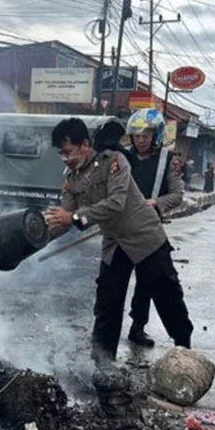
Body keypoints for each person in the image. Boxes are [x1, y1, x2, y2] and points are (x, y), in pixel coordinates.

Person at [44, 117, 194, 363]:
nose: (64, 158)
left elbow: (115, 203)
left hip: (145, 236)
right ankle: (103, 363)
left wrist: (72, 218)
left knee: (167, 297)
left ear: (84, 145)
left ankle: (185, 350)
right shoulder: (71, 179)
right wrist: (37, 234)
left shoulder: (114, 161)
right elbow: (64, 219)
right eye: (60, 153)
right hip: (115, 243)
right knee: (107, 303)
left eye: (68, 151)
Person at [122, 108, 184, 348]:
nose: (141, 139)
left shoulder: (169, 161)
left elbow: (178, 195)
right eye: (137, 135)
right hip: (121, 229)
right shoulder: (122, 158)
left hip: (149, 230)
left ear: (156, 135)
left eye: (146, 134)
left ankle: (138, 327)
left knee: (147, 281)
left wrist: (155, 202)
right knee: (112, 282)